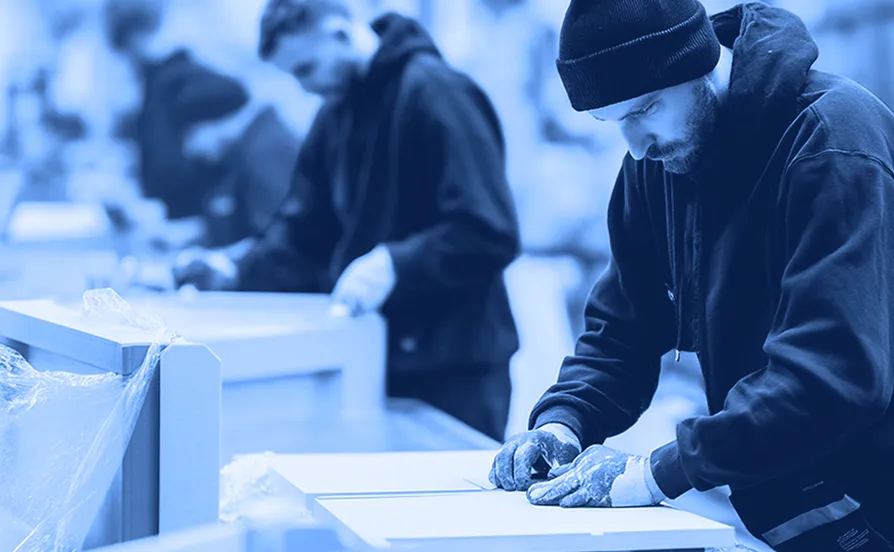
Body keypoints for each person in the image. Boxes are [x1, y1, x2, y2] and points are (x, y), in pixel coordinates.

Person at [488, 0, 894, 550]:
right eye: (614, 122)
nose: (635, 146)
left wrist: (656, 473)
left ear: (699, 63)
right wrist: (564, 420)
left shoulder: (832, 140)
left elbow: (833, 376)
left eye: (646, 109)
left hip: (873, 506)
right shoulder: (659, 163)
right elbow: (623, 330)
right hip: (792, 509)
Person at [173, 0, 520, 442]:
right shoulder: (335, 114)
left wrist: (396, 264)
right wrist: (234, 270)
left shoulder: (437, 94)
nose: (305, 86)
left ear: (340, 32)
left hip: (455, 368)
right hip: (375, 359)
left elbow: (490, 231)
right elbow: (302, 233)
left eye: (307, 68)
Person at [104, 0, 249, 233]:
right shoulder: (153, 80)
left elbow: (236, 92)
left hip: (191, 209)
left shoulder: (173, 77)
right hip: (170, 209)